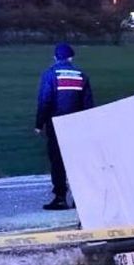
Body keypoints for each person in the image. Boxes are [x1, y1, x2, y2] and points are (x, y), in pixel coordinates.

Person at [35, 42, 94, 210]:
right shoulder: (82, 75)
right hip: (77, 124)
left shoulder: (50, 75)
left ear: (55, 57)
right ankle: (81, 198)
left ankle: (60, 197)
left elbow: (45, 101)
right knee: (77, 161)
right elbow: (88, 103)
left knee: (57, 161)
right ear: (71, 57)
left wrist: (39, 124)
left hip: (56, 124)